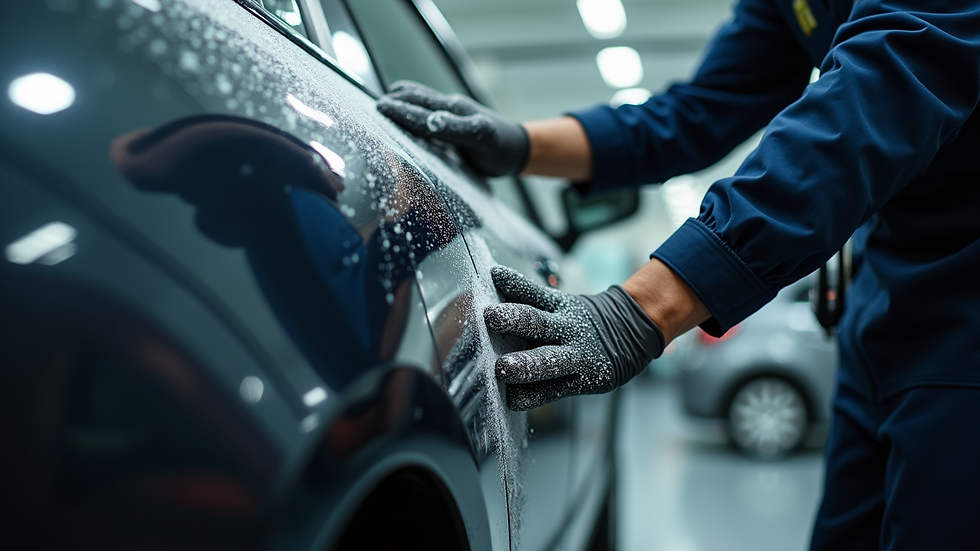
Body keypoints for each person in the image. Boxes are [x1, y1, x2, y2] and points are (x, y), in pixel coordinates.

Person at [377, 0, 980, 547]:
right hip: (878, 311)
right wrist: (520, 145)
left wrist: (641, 311)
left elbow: (877, 95)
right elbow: (698, 111)